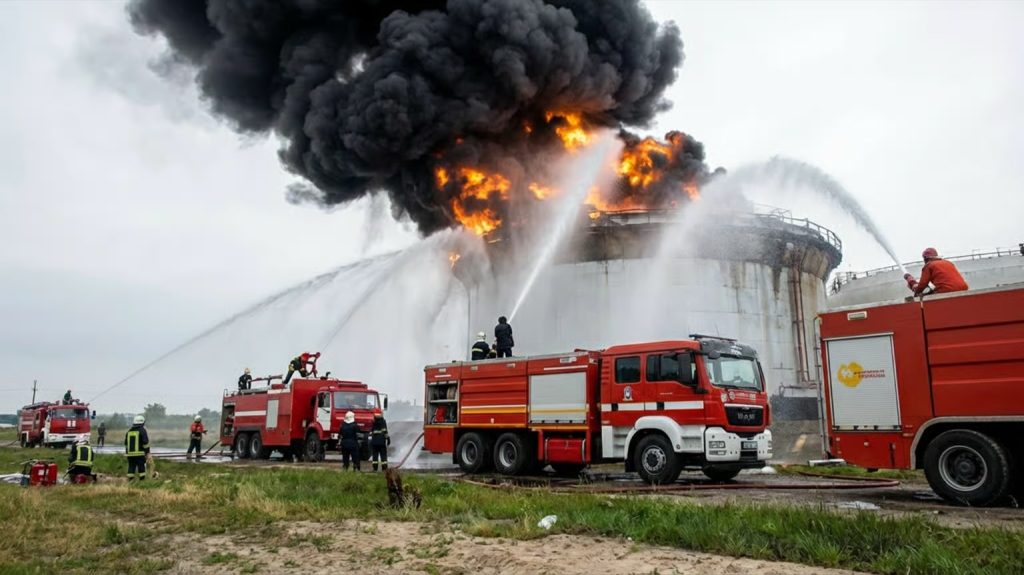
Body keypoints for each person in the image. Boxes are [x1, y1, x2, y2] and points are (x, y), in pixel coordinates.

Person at [904, 248, 968, 296]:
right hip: (964, 289)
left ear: (925, 258)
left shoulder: (929, 265)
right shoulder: (948, 263)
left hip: (946, 290)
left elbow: (922, 285)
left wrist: (916, 292)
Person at [124, 415, 150, 482]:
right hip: (140, 454)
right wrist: (147, 452)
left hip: (130, 455)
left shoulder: (129, 431)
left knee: (131, 467)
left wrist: (127, 452)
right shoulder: (142, 430)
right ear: (142, 422)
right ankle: (142, 481)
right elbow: (145, 443)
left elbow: (126, 443)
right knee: (141, 467)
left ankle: (130, 481)